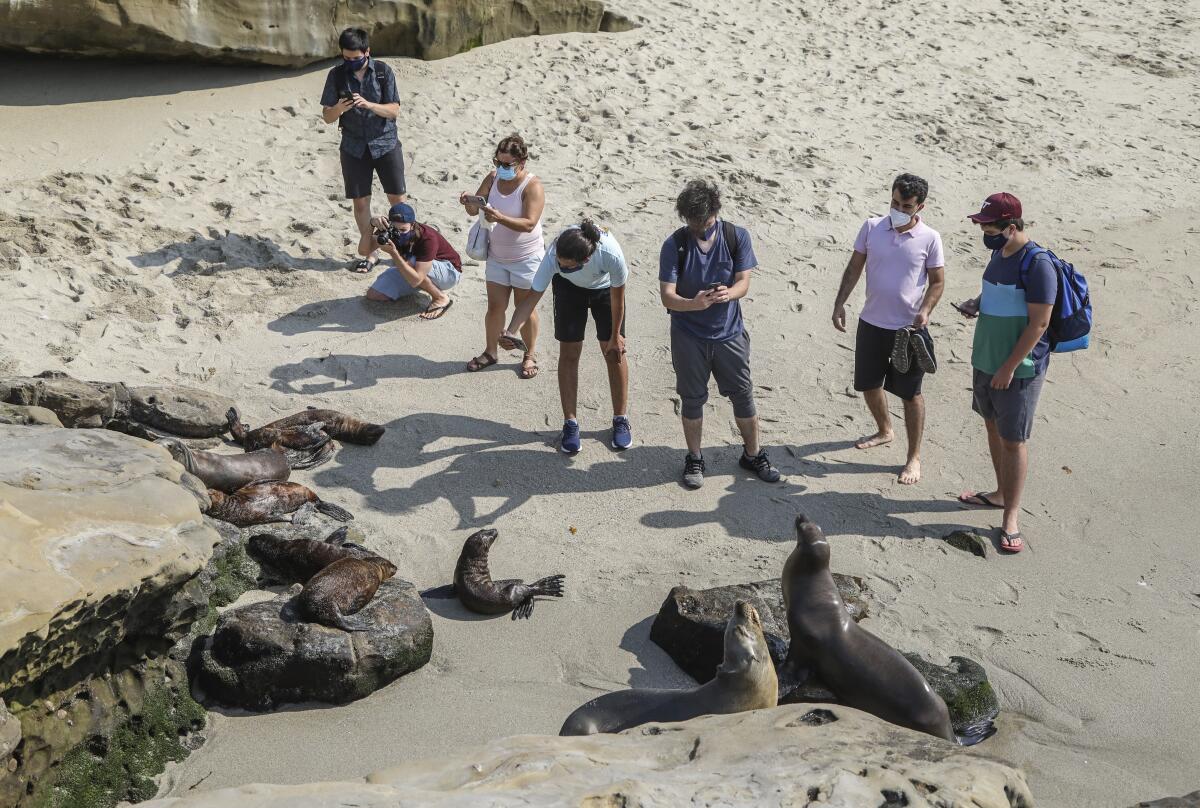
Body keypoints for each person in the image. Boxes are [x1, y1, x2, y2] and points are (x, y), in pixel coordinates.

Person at [658, 179, 780, 489]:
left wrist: (730, 294)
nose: (698, 227)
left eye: (703, 221)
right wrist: (693, 303)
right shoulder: (675, 244)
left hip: (729, 335)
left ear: (715, 211)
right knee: (692, 399)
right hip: (688, 336)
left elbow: (744, 282)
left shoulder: (736, 236)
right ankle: (695, 457)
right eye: (692, 221)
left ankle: (753, 454)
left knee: (742, 394)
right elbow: (667, 297)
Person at [955, 192, 1056, 553]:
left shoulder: (1038, 263)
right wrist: (976, 303)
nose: (984, 231)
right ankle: (999, 493)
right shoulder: (999, 253)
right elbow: (995, 291)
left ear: (1011, 227)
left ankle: (1010, 516)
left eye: (989, 226)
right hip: (985, 358)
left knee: (1013, 440)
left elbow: (1040, 323)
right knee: (992, 425)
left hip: (1018, 369)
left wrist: (1009, 367)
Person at [832, 173, 945, 485]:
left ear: (919, 206)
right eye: (894, 202)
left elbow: (937, 282)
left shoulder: (930, 238)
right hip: (871, 323)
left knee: (911, 395)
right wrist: (839, 303)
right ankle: (884, 430)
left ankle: (913, 457)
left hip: (907, 331)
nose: (898, 209)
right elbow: (854, 267)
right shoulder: (871, 227)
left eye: (905, 205)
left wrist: (925, 310)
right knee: (868, 384)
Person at [499, 220, 631, 453]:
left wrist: (616, 335)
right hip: (569, 290)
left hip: (605, 289)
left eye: (567, 265)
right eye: (559, 263)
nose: (561, 266)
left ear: (586, 260)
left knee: (613, 352)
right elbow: (532, 297)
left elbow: (618, 298)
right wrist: (511, 330)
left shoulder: (610, 253)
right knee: (569, 353)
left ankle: (620, 418)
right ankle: (571, 423)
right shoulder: (555, 255)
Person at [459, 134, 545, 379]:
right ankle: (490, 351)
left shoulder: (532, 186)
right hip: (497, 256)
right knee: (495, 307)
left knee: (524, 308)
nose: (501, 168)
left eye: (507, 165)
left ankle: (528, 354)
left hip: (526, 258)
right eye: (498, 162)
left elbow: (529, 223)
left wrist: (500, 218)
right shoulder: (493, 177)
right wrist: (468, 202)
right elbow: (473, 209)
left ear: (522, 162)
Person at [319, 27, 405, 274]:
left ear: (367, 52)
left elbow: (394, 110)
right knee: (360, 204)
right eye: (346, 58)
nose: (350, 62)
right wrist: (339, 108)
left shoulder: (382, 72)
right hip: (353, 147)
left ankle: (403, 249)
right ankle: (371, 254)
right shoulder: (336, 75)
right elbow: (327, 116)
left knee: (397, 200)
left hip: (385, 143)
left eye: (355, 58)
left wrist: (369, 105)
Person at [364, 203, 461, 319]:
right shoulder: (388, 231)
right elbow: (363, 250)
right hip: (417, 269)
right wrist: (371, 224)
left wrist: (394, 254)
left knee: (411, 263)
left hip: (449, 272)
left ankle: (440, 297)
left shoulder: (427, 237)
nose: (399, 233)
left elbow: (416, 280)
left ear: (412, 224)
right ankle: (424, 286)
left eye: (403, 229)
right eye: (395, 229)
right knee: (375, 294)